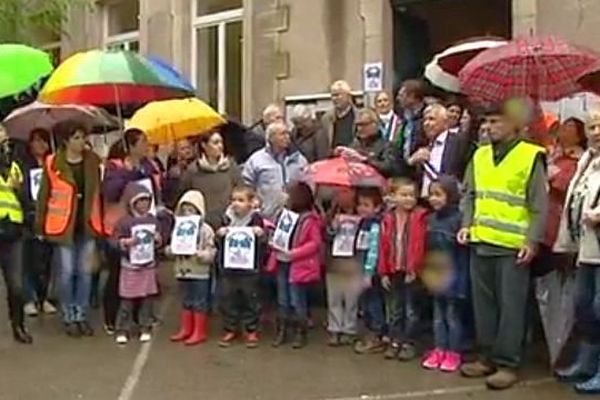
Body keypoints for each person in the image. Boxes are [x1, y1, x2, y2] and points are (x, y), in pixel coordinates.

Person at [458, 103, 548, 390]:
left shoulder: (530, 155)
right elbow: (470, 194)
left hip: (512, 246)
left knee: (511, 307)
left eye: (495, 121)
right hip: (481, 240)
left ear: (513, 124)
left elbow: (539, 204)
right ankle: (486, 356)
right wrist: (465, 223)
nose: (488, 127)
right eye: (486, 122)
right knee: (483, 306)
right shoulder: (480, 154)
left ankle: (507, 362)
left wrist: (531, 240)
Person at [36, 120, 104, 338]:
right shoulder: (53, 162)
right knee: (66, 274)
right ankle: (68, 315)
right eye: (76, 137)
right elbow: (43, 197)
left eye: (83, 137)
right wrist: (40, 225)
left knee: (84, 273)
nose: (82, 141)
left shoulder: (93, 161)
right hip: (63, 226)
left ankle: (81, 315)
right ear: (66, 140)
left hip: (87, 224)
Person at [554, 110, 600, 394]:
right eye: (593, 126)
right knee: (584, 307)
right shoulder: (588, 161)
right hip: (586, 247)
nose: (596, 132)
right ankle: (586, 362)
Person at [102, 128, 164, 334]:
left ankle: (140, 317)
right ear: (130, 146)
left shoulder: (148, 166)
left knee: (143, 272)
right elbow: (110, 192)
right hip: (120, 224)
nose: (146, 145)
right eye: (142, 142)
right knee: (118, 273)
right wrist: (128, 174)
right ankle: (112, 317)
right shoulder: (114, 166)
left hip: (143, 226)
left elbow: (153, 191)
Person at [421, 176, 468, 373]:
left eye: (439, 195)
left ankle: (454, 351)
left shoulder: (459, 220)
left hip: (454, 275)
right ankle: (439, 348)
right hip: (435, 274)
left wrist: (461, 282)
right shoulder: (430, 220)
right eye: (431, 194)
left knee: (452, 316)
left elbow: (463, 256)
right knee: (438, 316)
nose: (434, 199)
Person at [267, 182, 322, 349]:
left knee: (297, 299)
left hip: (298, 264)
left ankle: (300, 331)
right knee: (283, 299)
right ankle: (282, 330)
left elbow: (315, 243)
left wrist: (295, 253)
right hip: (282, 261)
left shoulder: (309, 220)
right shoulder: (283, 216)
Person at [378, 178, 427, 360]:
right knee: (394, 310)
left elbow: (419, 247)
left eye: (412, 195)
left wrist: (414, 269)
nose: (408, 199)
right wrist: (383, 272)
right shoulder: (388, 218)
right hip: (393, 270)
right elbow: (383, 247)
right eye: (404, 195)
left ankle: (409, 342)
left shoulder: (420, 217)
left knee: (411, 311)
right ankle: (395, 340)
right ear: (393, 196)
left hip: (411, 272)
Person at [533, 117, 586, 277]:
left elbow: (564, 185)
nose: (563, 128)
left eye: (569, 126)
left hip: (558, 224)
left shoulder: (580, 160)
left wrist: (551, 173)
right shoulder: (551, 153)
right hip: (541, 220)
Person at [111, 183, 162, 345]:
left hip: (148, 265)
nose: (144, 204)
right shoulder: (124, 222)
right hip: (130, 266)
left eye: (147, 200)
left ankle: (145, 326)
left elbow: (159, 240)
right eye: (140, 201)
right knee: (127, 300)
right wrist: (125, 242)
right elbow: (113, 240)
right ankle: (122, 328)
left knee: (147, 299)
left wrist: (158, 241)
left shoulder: (153, 221)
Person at [216, 185, 265, 348]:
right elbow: (218, 242)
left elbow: (264, 244)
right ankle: (230, 328)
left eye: (241, 200)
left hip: (249, 269)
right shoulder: (226, 218)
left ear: (251, 203)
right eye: (234, 200)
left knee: (250, 299)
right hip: (229, 268)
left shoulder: (256, 219)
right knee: (228, 299)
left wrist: (260, 234)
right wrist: (220, 234)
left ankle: (251, 330)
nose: (236, 203)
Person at [167, 190, 216, 346]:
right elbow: (171, 246)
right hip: (182, 270)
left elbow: (212, 249)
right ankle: (186, 328)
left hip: (199, 271)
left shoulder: (206, 230)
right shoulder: (179, 228)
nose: (187, 213)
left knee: (199, 301)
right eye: (184, 210)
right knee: (186, 300)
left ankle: (199, 331)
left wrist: (203, 255)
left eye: (191, 210)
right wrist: (172, 250)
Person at [0, 125, 32, 344]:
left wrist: (18, 190)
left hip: (13, 231)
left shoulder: (15, 163)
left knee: (16, 285)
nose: (4, 135)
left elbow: (25, 196)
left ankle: (18, 325)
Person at [21, 128, 56, 317]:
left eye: (44, 140)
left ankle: (45, 297)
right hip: (30, 218)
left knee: (47, 261)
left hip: (51, 216)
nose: (41, 145)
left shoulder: (54, 164)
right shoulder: (24, 165)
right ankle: (30, 298)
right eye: (36, 141)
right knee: (29, 261)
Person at [242, 121, 308, 221]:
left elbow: (309, 183)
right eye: (282, 134)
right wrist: (254, 202)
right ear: (271, 138)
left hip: (294, 216)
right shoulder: (256, 160)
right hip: (267, 216)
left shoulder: (299, 160)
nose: (287, 137)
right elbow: (246, 186)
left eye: (288, 133)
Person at [178, 131, 241, 229]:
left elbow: (241, 190)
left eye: (221, 142)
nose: (220, 146)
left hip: (228, 222)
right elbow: (185, 196)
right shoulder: (193, 170)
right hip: (203, 224)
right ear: (204, 145)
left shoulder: (231, 167)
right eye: (215, 143)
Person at [352, 187, 387, 354]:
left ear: (378, 207)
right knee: (364, 304)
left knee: (373, 303)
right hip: (360, 267)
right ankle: (370, 333)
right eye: (360, 204)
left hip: (370, 271)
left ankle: (377, 334)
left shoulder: (376, 225)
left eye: (366, 205)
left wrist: (368, 273)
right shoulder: (362, 223)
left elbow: (374, 251)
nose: (362, 208)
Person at [324, 187, 361, 346]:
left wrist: (359, 223)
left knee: (351, 299)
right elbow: (325, 235)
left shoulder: (362, 214)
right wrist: (333, 227)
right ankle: (334, 328)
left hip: (354, 261)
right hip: (335, 260)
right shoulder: (332, 214)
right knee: (334, 297)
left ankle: (349, 329)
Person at [408, 104, 470, 197]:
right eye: (425, 120)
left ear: (445, 122)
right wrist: (411, 161)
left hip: (450, 200)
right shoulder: (420, 143)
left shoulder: (460, 142)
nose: (426, 123)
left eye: (431, 119)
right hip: (424, 202)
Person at [336, 108, 400, 177]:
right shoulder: (354, 146)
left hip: (376, 184)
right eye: (358, 125)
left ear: (375, 124)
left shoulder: (386, 146)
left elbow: (389, 168)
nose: (360, 129)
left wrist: (365, 160)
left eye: (364, 124)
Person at [394, 79, 428, 178]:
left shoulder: (427, 117)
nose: (398, 98)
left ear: (412, 97)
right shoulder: (404, 116)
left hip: (421, 169)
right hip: (404, 169)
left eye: (401, 95)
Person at [321, 80, 357, 149]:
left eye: (337, 95)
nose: (334, 99)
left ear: (348, 96)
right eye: (333, 96)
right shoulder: (326, 118)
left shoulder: (358, 116)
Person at [164, 138, 198, 207]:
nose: (187, 151)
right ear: (177, 152)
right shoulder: (173, 173)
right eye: (183, 149)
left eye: (188, 147)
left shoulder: (198, 165)